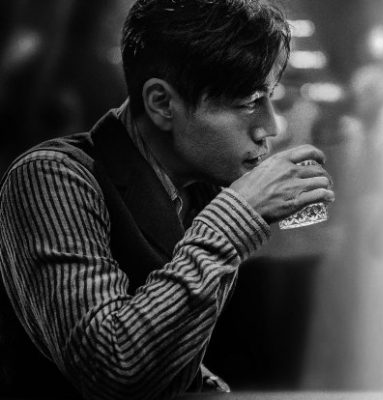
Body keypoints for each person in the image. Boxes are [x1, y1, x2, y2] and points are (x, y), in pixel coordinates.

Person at [0, 0, 334, 398]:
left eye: (268, 97)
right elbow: (112, 367)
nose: (271, 126)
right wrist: (238, 214)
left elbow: (170, 354)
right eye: (248, 101)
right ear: (161, 103)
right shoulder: (50, 177)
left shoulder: (200, 187)